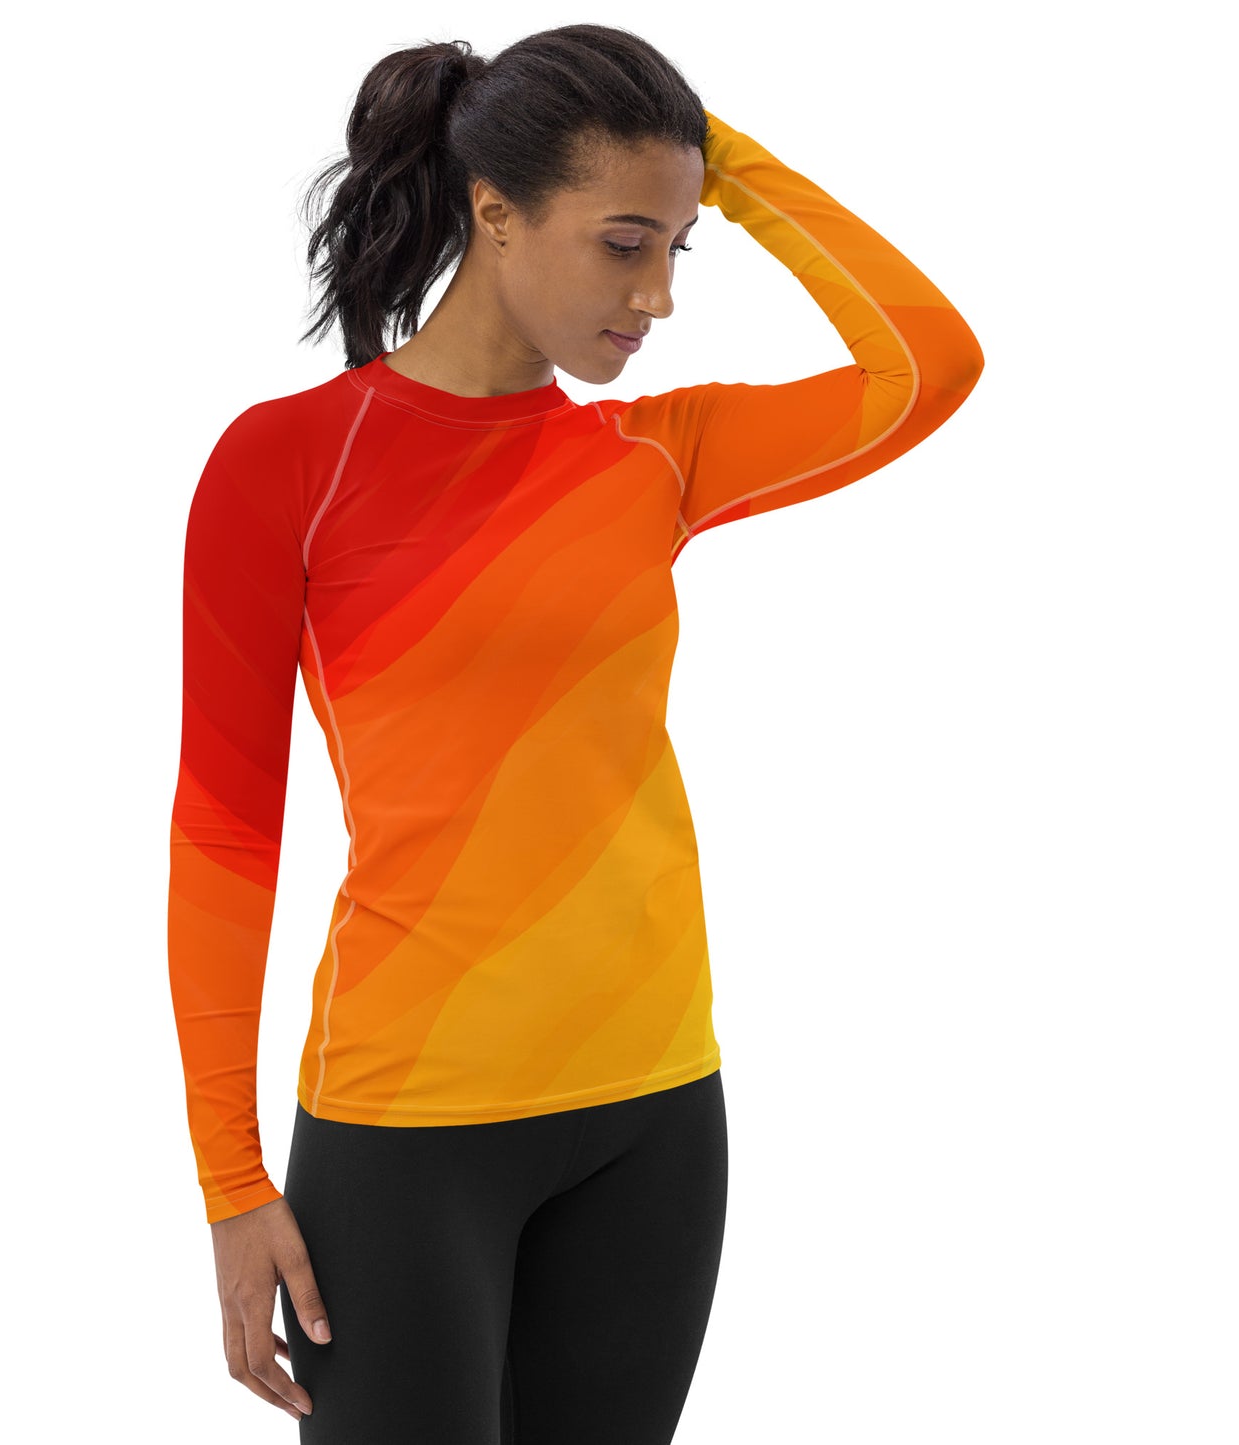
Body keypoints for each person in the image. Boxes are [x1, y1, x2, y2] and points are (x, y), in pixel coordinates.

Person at [166, 22, 984, 1443]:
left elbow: (929, 364)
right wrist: (231, 1179)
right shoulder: (289, 463)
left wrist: (718, 163)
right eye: (622, 244)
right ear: (494, 211)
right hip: (406, 1130)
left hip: (653, 1112)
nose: (658, 295)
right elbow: (226, 833)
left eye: (678, 247)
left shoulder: (653, 455)